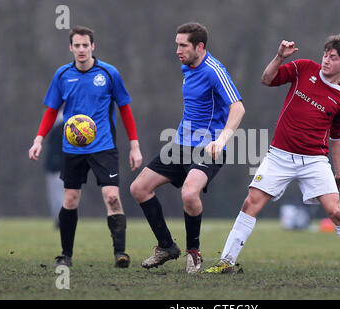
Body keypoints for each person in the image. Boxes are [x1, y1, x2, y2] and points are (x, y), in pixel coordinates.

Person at [204, 35, 340, 276]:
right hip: (279, 156)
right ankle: (226, 262)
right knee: (251, 203)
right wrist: (280, 57)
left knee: (335, 211)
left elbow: (338, 137)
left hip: (314, 161)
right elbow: (266, 79)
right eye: (325, 55)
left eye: (333, 58)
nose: (326, 60)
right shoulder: (303, 69)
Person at [130, 22, 245, 274]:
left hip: (208, 147)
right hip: (180, 144)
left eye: (183, 45)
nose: (178, 50)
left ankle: (194, 253)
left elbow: (238, 107)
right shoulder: (187, 66)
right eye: (177, 44)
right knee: (139, 188)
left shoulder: (215, 70)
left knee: (189, 194)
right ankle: (166, 246)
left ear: (200, 47)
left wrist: (222, 140)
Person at [28, 26, 143, 268]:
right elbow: (51, 111)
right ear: (71, 48)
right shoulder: (62, 75)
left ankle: (120, 253)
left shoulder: (109, 73)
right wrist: (38, 139)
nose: (81, 49)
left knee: (112, 196)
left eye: (85, 45)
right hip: (72, 148)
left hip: (104, 146)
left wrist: (135, 145)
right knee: (69, 199)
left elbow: (125, 109)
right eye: (77, 45)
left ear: (93, 46)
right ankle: (66, 255)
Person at [43, 109, 64, 228]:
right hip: (52, 165)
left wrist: (58, 160)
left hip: (59, 165)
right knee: (54, 194)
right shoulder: (55, 123)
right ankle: (58, 219)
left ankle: (62, 220)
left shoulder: (63, 123)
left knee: (59, 194)